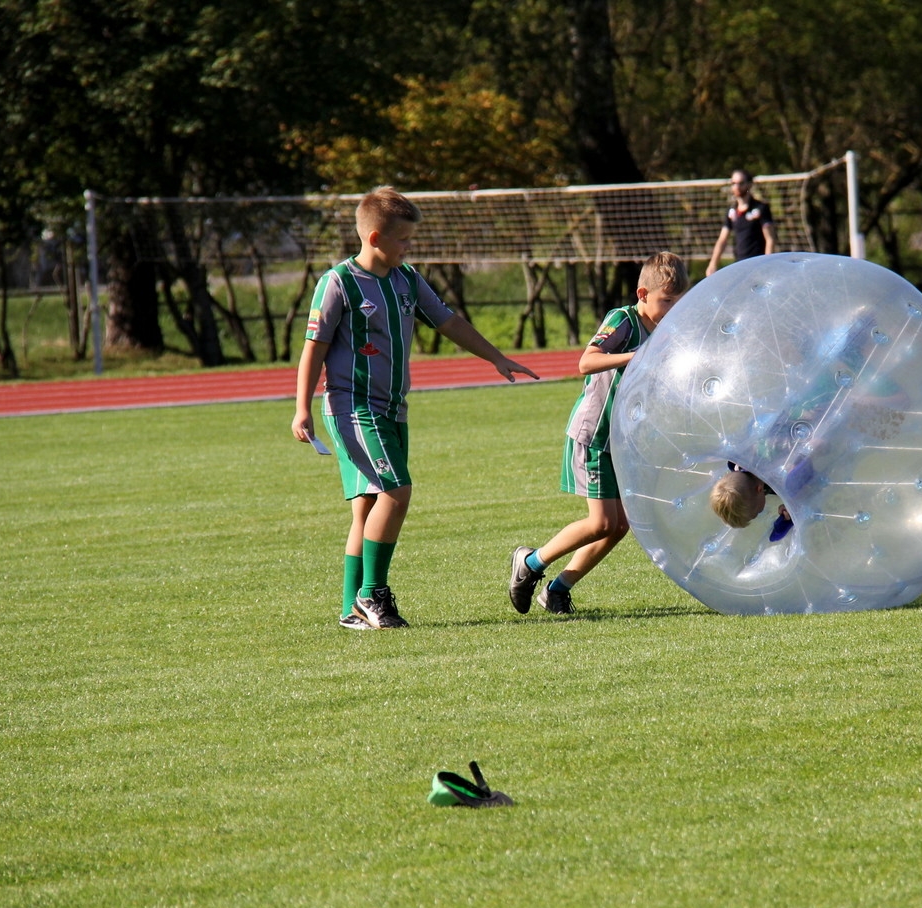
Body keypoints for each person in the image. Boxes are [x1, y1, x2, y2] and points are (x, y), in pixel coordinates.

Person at [293, 186, 538, 629]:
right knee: (396, 490)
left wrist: (495, 357)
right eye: (403, 239)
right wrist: (302, 408)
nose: (409, 247)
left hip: (393, 409)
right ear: (374, 238)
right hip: (353, 407)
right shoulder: (338, 283)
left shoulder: (406, 279)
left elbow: (448, 321)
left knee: (369, 507)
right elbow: (314, 348)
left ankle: (353, 610)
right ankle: (373, 595)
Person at [508, 251, 690, 615]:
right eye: (665, 301)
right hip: (594, 435)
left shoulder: (665, 331)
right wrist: (634, 356)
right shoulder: (623, 320)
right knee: (602, 521)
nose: (672, 309)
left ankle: (557, 590)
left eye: (677, 301)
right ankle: (529, 563)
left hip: (622, 442)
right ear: (642, 294)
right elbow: (586, 361)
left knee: (618, 526)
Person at [705, 169, 778, 276]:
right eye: (734, 183)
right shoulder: (732, 211)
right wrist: (713, 263)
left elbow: (770, 238)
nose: (737, 187)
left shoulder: (760, 208)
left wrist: (766, 264)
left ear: (749, 185)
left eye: (741, 183)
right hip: (739, 264)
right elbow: (722, 240)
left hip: (757, 263)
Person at [710, 465, 794, 541]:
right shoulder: (735, 465)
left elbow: (774, 537)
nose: (760, 511)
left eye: (758, 511)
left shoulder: (779, 483)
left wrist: (789, 518)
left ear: (760, 489)